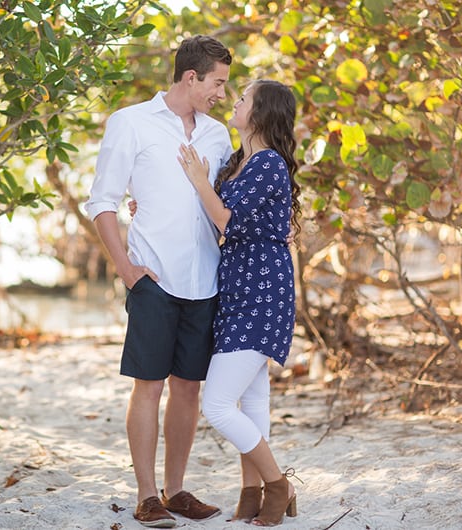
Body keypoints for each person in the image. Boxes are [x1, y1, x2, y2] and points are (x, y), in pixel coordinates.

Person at [84, 35, 234, 528]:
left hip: (206, 280)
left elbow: (224, 208)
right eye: (217, 83)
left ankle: (176, 490)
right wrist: (127, 270)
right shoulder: (130, 123)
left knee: (188, 389)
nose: (221, 94)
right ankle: (147, 496)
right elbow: (103, 201)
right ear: (191, 77)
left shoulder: (217, 136)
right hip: (154, 278)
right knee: (147, 387)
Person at [177, 79, 302, 527]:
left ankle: (277, 484)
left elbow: (225, 218)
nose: (234, 100)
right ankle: (251, 495)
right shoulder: (240, 163)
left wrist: (196, 180)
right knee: (252, 403)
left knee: (217, 404)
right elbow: (220, 226)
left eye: (243, 97)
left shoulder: (267, 163)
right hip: (238, 288)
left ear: (261, 112)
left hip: (261, 292)